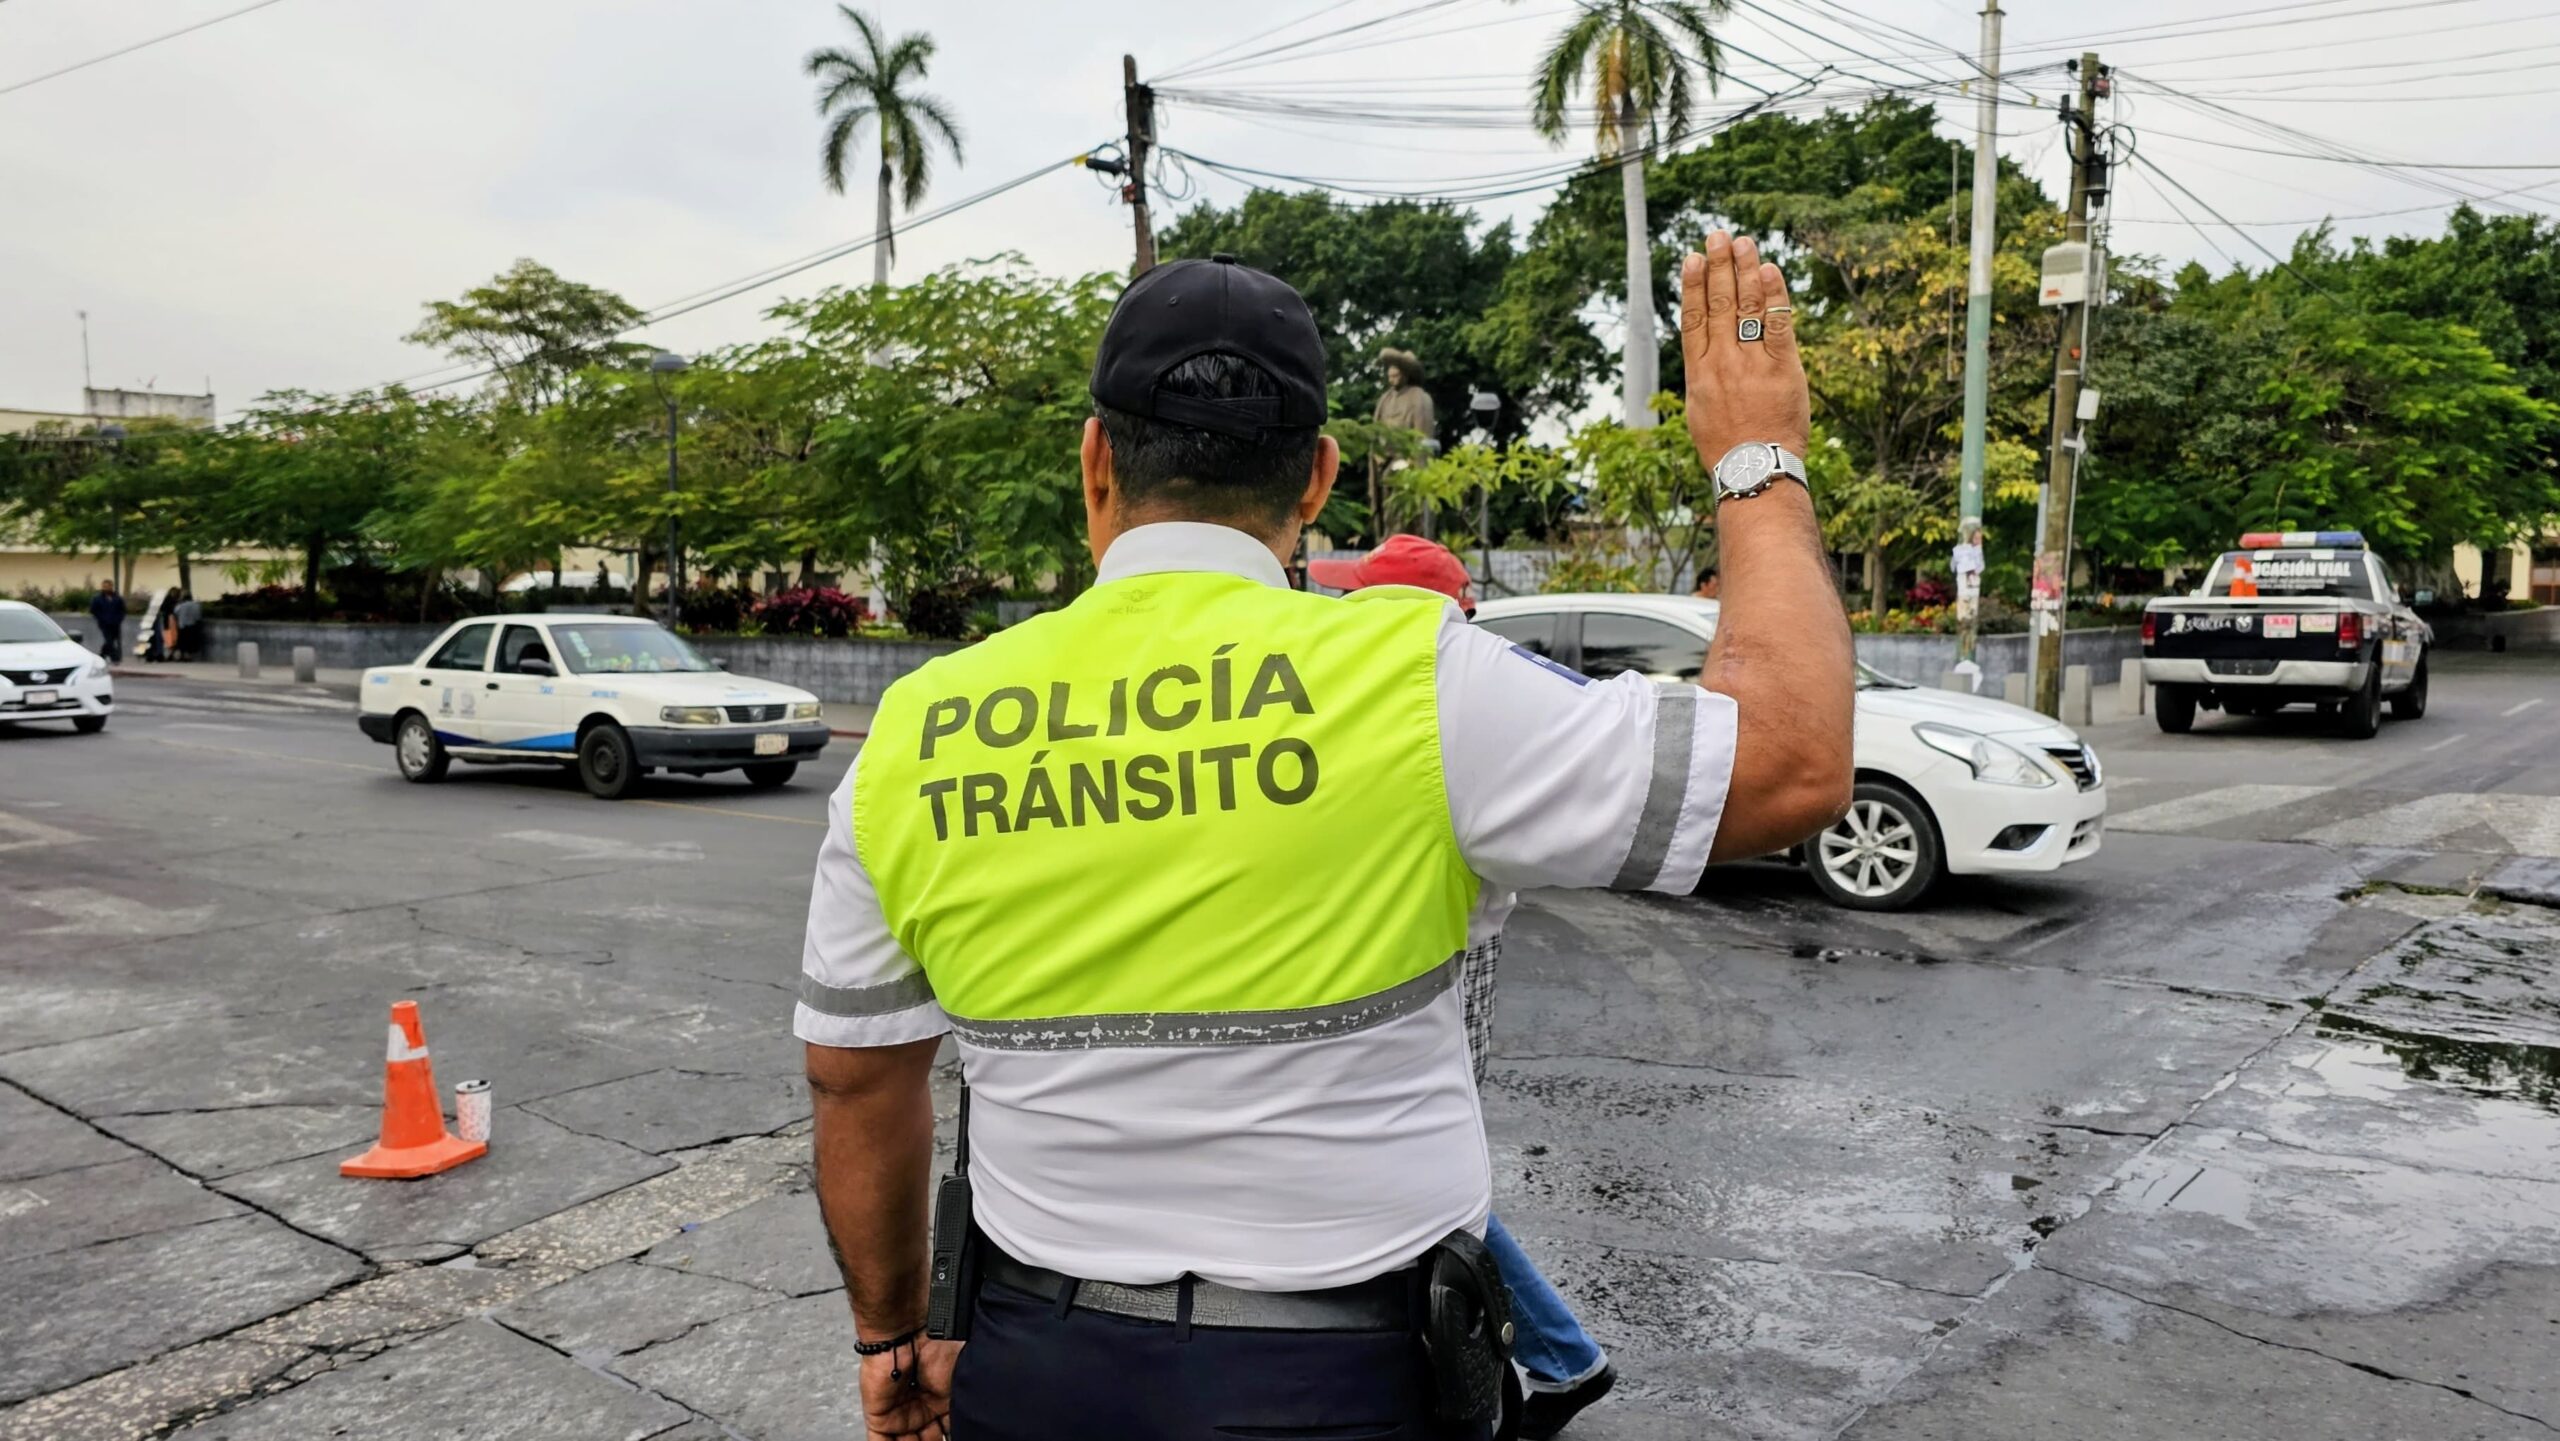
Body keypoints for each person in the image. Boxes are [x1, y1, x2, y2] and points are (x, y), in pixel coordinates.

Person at [797, 235, 1852, 1441]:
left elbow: (855, 1077)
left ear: (1094, 461)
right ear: (1317, 479)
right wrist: (1757, 458)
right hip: (1345, 1386)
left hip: (1041, 1373)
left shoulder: (917, 729)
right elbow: (1789, 759)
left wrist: (891, 1333)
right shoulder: (1419, 678)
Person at [1309, 534, 1617, 1437]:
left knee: (1435, 1193)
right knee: (1425, 1179)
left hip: (1433, 974)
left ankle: (1561, 1358)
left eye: (1357, 598)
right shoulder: (1461, 700)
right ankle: (1556, 1358)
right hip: (1455, 965)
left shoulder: (1434, 706)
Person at [87, 580, 126, 663]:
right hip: (104, 624)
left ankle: (102, 655)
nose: (106, 588)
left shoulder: (117, 598)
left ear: (111, 587)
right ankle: (115, 657)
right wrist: (100, 618)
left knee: (111, 640)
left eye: (108, 586)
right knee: (109, 640)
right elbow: (93, 610)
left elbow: (122, 610)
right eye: (104, 586)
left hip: (115, 623)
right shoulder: (98, 599)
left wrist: (119, 619)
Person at [174, 590, 203, 661]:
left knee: (182, 642)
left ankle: (181, 656)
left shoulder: (181, 606)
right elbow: (198, 616)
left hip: (182, 626)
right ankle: (188, 656)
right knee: (190, 642)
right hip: (192, 625)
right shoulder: (196, 605)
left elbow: (175, 612)